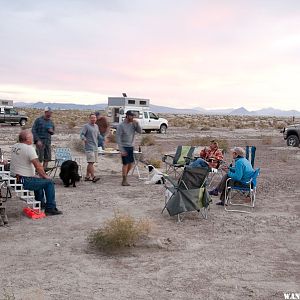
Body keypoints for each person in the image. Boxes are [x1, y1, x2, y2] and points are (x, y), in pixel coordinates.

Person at [10, 130, 62, 215]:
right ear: (27, 139)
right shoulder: (29, 148)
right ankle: (50, 208)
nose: (33, 139)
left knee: (38, 179)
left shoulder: (15, 146)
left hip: (14, 178)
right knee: (49, 183)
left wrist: (39, 175)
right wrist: (45, 176)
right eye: (31, 137)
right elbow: (38, 165)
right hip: (23, 180)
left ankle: (41, 203)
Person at [116, 110, 142, 186]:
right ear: (127, 116)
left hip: (131, 146)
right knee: (125, 164)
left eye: (133, 116)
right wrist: (121, 149)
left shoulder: (133, 124)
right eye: (131, 116)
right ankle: (124, 180)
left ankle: (124, 177)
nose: (133, 117)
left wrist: (137, 124)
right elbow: (118, 137)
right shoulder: (121, 125)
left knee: (131, 164)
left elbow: (140, 131)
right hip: (124, 146)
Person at [80, 113, 101, 183]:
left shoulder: (96, 126)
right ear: (89, 119)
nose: (93, 119)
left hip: (95, 146)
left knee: (91, 163)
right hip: (89, 147)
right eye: (92, 118)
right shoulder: (86, 126)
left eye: (94, 118)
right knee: (91, 162)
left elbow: (98, 135)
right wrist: (84, 139)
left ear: (96, 119)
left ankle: (87, 176)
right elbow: (82, 134)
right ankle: (93, 177)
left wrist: (103, 139)